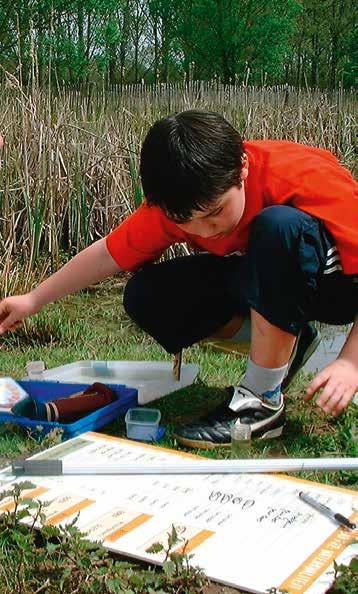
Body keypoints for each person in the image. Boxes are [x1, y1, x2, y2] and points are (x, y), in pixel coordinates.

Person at [0, 111, 357, 449]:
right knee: (147, 295)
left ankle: (261, 401)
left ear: (242, 168)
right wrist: (33, 299)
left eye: (215, 213)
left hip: (335, 286)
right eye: (187, 222)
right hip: (264, 278)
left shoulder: (301, 176)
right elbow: (109, 253)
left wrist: (350, 363)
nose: (206, 230)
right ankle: (285, 343)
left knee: (278, 226)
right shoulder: (179, 200)